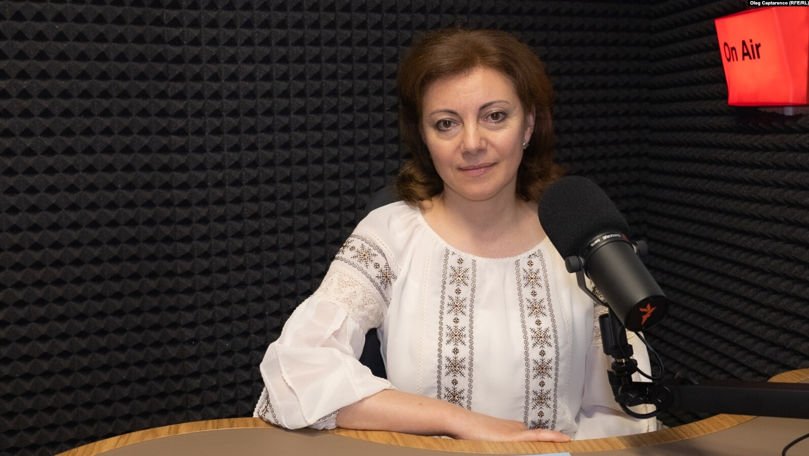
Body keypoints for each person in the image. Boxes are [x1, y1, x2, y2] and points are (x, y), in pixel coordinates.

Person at [254, 27, 657, 442]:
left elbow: (625, 408)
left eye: (494, 116)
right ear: (424, 138)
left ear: (528, 124)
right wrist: (460, 421)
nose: (472, 143)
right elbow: (296, 370)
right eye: (446, 124)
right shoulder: (389, 235)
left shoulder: (578, 236)